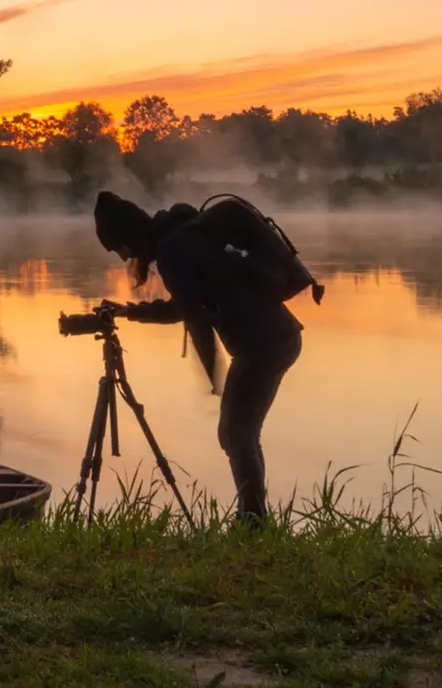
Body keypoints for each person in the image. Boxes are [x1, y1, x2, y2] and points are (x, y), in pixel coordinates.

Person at [91, 192, 303, 523]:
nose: (123, 257)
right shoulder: (179, 240)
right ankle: (255, 517)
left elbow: (195, 319)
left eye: (119, 248)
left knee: (236, 433)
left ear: (129, 236)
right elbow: (185, 307)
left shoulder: (173, 251)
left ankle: (254, 522)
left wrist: (212, 373)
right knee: (237, 433)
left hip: (264, 344)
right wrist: (130, 312)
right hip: (275, 339)